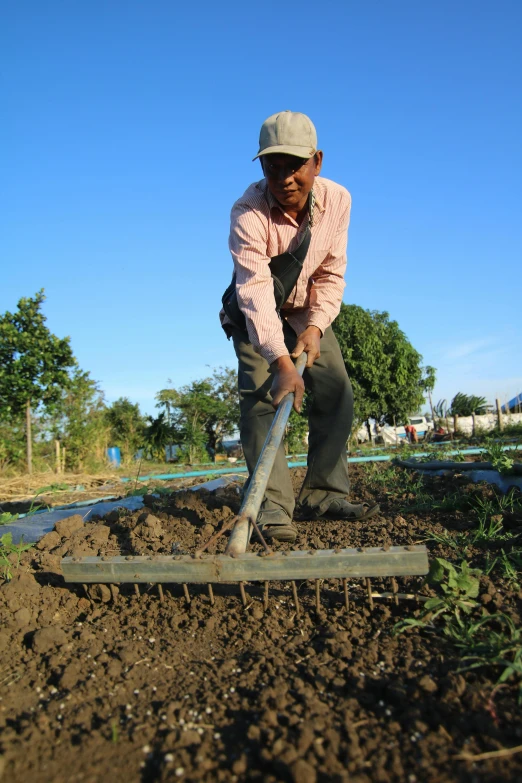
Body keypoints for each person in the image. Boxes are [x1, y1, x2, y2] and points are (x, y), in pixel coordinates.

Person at [220, 110, 379, 543]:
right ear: (261, 166)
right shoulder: (247, 212)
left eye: (295, 165)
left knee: (335, 388)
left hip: (306, 313)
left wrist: (316, 327)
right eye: (274, 167)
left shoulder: (338, 201)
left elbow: (331, 273)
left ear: (317, 162)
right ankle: (271, 508)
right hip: (260, 318)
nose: (285, 177)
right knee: (260, 395)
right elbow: (252, 290)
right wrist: (280, 361)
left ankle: (324, 493)